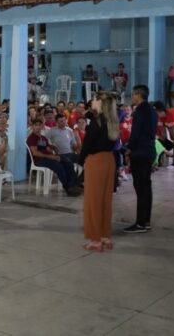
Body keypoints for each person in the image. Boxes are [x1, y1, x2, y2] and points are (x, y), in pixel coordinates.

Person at [80, 92, 119, 252]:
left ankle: (95, 240)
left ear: (101, 103)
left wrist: (80, 159)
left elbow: (87, 145)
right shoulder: (112, 121)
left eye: (95, 99)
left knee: (93, 201)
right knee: (105, 200)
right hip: (109, 161)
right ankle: (105, 236)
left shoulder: (97, 122)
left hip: (96, 161)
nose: (92, 101)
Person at [124, 85, 158, 233]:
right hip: (149, 151)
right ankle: (146, 221)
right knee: (146, 188)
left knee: (141, 188)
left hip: (140, 152)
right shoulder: (152, 111)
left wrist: (129, 150)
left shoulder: (139, 112)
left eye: (133, 94)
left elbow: (135, 134)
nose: (132, 97)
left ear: (139, 95)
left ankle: (140, 223)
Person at [27, 119, 82, 196]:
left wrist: (53, 149)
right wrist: (51, 157)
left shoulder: (43, 138)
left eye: (40, 125)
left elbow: (46, 148)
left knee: (68, 163)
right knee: (59, 167)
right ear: (32, 126)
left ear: (42, 126)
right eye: (36, 125)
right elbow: (35, 153)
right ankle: (68, 188)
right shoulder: (32, 138)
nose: (38, 127)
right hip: (39, 160)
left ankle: (73, 185)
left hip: (48, 157)